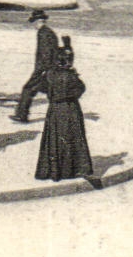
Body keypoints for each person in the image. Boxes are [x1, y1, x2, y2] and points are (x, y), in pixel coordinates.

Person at [35, 39, 93, 181]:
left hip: (55, 109)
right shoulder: (71, 76)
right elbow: (81, 89)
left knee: (54, 139)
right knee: (73, 138)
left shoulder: (50, 74)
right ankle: (72, 170)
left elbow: (41, 87)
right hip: (71, 108)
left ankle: (55, 171)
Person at [13, 11, 61, 123]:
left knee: (28, 89)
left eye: (34, 22)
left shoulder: (43, 33)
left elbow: (46, 54)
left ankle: (22, 115)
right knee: (46, 91)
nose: (33, 25)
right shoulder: (48, 32)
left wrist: (41, 70)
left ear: (38, 21)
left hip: (44, 69)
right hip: (50, 68)